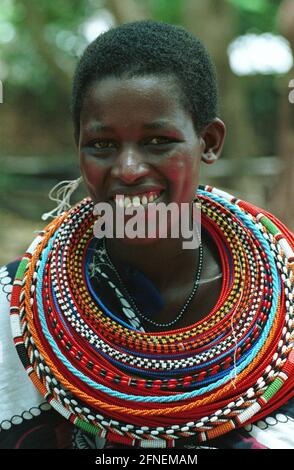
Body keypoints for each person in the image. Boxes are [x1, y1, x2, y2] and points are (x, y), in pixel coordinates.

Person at [0, 20, 293, 450]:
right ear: (78, 147)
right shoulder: (13, 305)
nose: (129, 170)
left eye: (158, 141)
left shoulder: (286, 300)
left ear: (208, 142)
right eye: (102, 144)